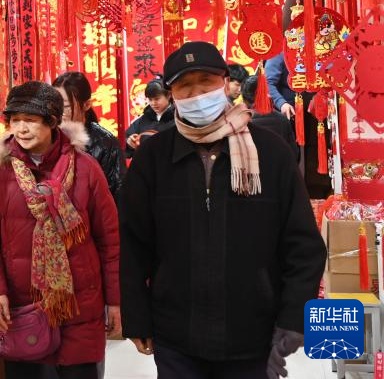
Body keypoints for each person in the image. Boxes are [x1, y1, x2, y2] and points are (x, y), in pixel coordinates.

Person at [119, 42, 326, 379]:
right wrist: (136, 316)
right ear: (172, 94)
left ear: (225, 82)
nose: (197, 93)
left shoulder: (270, 152)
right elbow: (133, 244)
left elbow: (303, 244)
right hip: (176, 333)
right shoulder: (152, 158)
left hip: (255, 332)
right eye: (185, 86)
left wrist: (293, 318)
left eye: (206, 81)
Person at [0, 81, 120, 379]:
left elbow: (110, 240)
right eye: (15, 120)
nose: (21, 129)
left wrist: (115, 302)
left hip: (80, 308)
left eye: (31, 120)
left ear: (52, 121)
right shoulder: (0, 172)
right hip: (23, 308)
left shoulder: (86, 168)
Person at [266, 52, 332, 198]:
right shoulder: (281, 52)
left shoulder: (320, 48)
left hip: (318, 109)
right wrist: (281, 103)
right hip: (290, 112)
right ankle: (290, 193)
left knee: (317, 150)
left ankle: (318, 191)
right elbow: (268, 82)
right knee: (291, 153)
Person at [53, 71, 125, 199]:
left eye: (65, 106)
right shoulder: (46, 136)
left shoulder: (106, 144)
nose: (57, 112)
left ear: (86, 105)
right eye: (54, 104)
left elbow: (117, 194)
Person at [241, 74, 299, 161]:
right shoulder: (283, 120)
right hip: (280, 167)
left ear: (244, 99)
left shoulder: (240, 123)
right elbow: (294, 154)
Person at [125, 79, 175, 159]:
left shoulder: (178, 118)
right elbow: (125, 139)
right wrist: (129, 142)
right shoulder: (144, 119)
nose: (153, 103)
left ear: (169, 95)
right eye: (150, 99)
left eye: (157, 99)